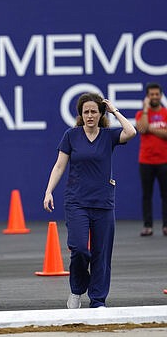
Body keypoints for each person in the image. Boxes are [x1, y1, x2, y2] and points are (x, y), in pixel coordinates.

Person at [43, 93, 136, 309]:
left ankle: (98, 300)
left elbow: (131, 132)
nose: (90, 115)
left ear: (100, 114)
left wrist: (114, 111)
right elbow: (59, 166)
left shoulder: (108, 136)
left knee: (101, 254)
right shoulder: (71, 135)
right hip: (77, 202)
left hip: (103, 203)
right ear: (80, 114)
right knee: (80, 249)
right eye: (86, 112)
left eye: (94, 111)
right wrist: (49, 191)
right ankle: (77, 289)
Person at [135, 83, 167, 237]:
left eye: (156, 94)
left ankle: (166, 226)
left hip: (164, 160)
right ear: (147, 97)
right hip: (146, 160)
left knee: (165, 194)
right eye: (151, 94)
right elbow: (141, 129)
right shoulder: (141, 114)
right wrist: (146, 110)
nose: (154, 97)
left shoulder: (165, 113)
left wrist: (150, 129)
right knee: (146, 195)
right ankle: (148, 226)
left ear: (161, 95)